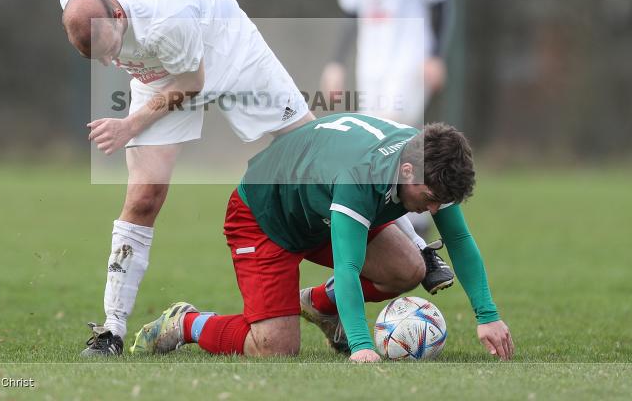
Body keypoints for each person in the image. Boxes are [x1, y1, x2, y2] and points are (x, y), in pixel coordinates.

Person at [16, 0, 315, 356]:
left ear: (117, 16)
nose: (111, 63)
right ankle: (111, 330)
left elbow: (192, 83)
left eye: (111, 49)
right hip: (163, 73)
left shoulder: (163, 20)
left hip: (222, 43)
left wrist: (131, 124)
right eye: (99, 61)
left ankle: (416, 243)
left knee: (309, 146)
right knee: (144, 196)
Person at [129, 113, 514, 362]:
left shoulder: (430, 163)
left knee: (407, 268)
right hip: (265, 216)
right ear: (408, 170)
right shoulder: (362, 178)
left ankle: (319, 305)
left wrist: (488, 316)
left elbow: (460, 240)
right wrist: (363, 347)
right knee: (276, 349)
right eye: (429, 200)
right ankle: (186, 322)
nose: (433, 210)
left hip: (320, 208)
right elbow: (348, 268)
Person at [320, 0, 454, 247]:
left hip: (410, 55)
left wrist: (436, 55)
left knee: (397, 131)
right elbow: (350, 12)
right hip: (372, 59)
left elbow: (442, 1)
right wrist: (336, 63)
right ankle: (409, 226)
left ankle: (416, 228)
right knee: (378, 136)